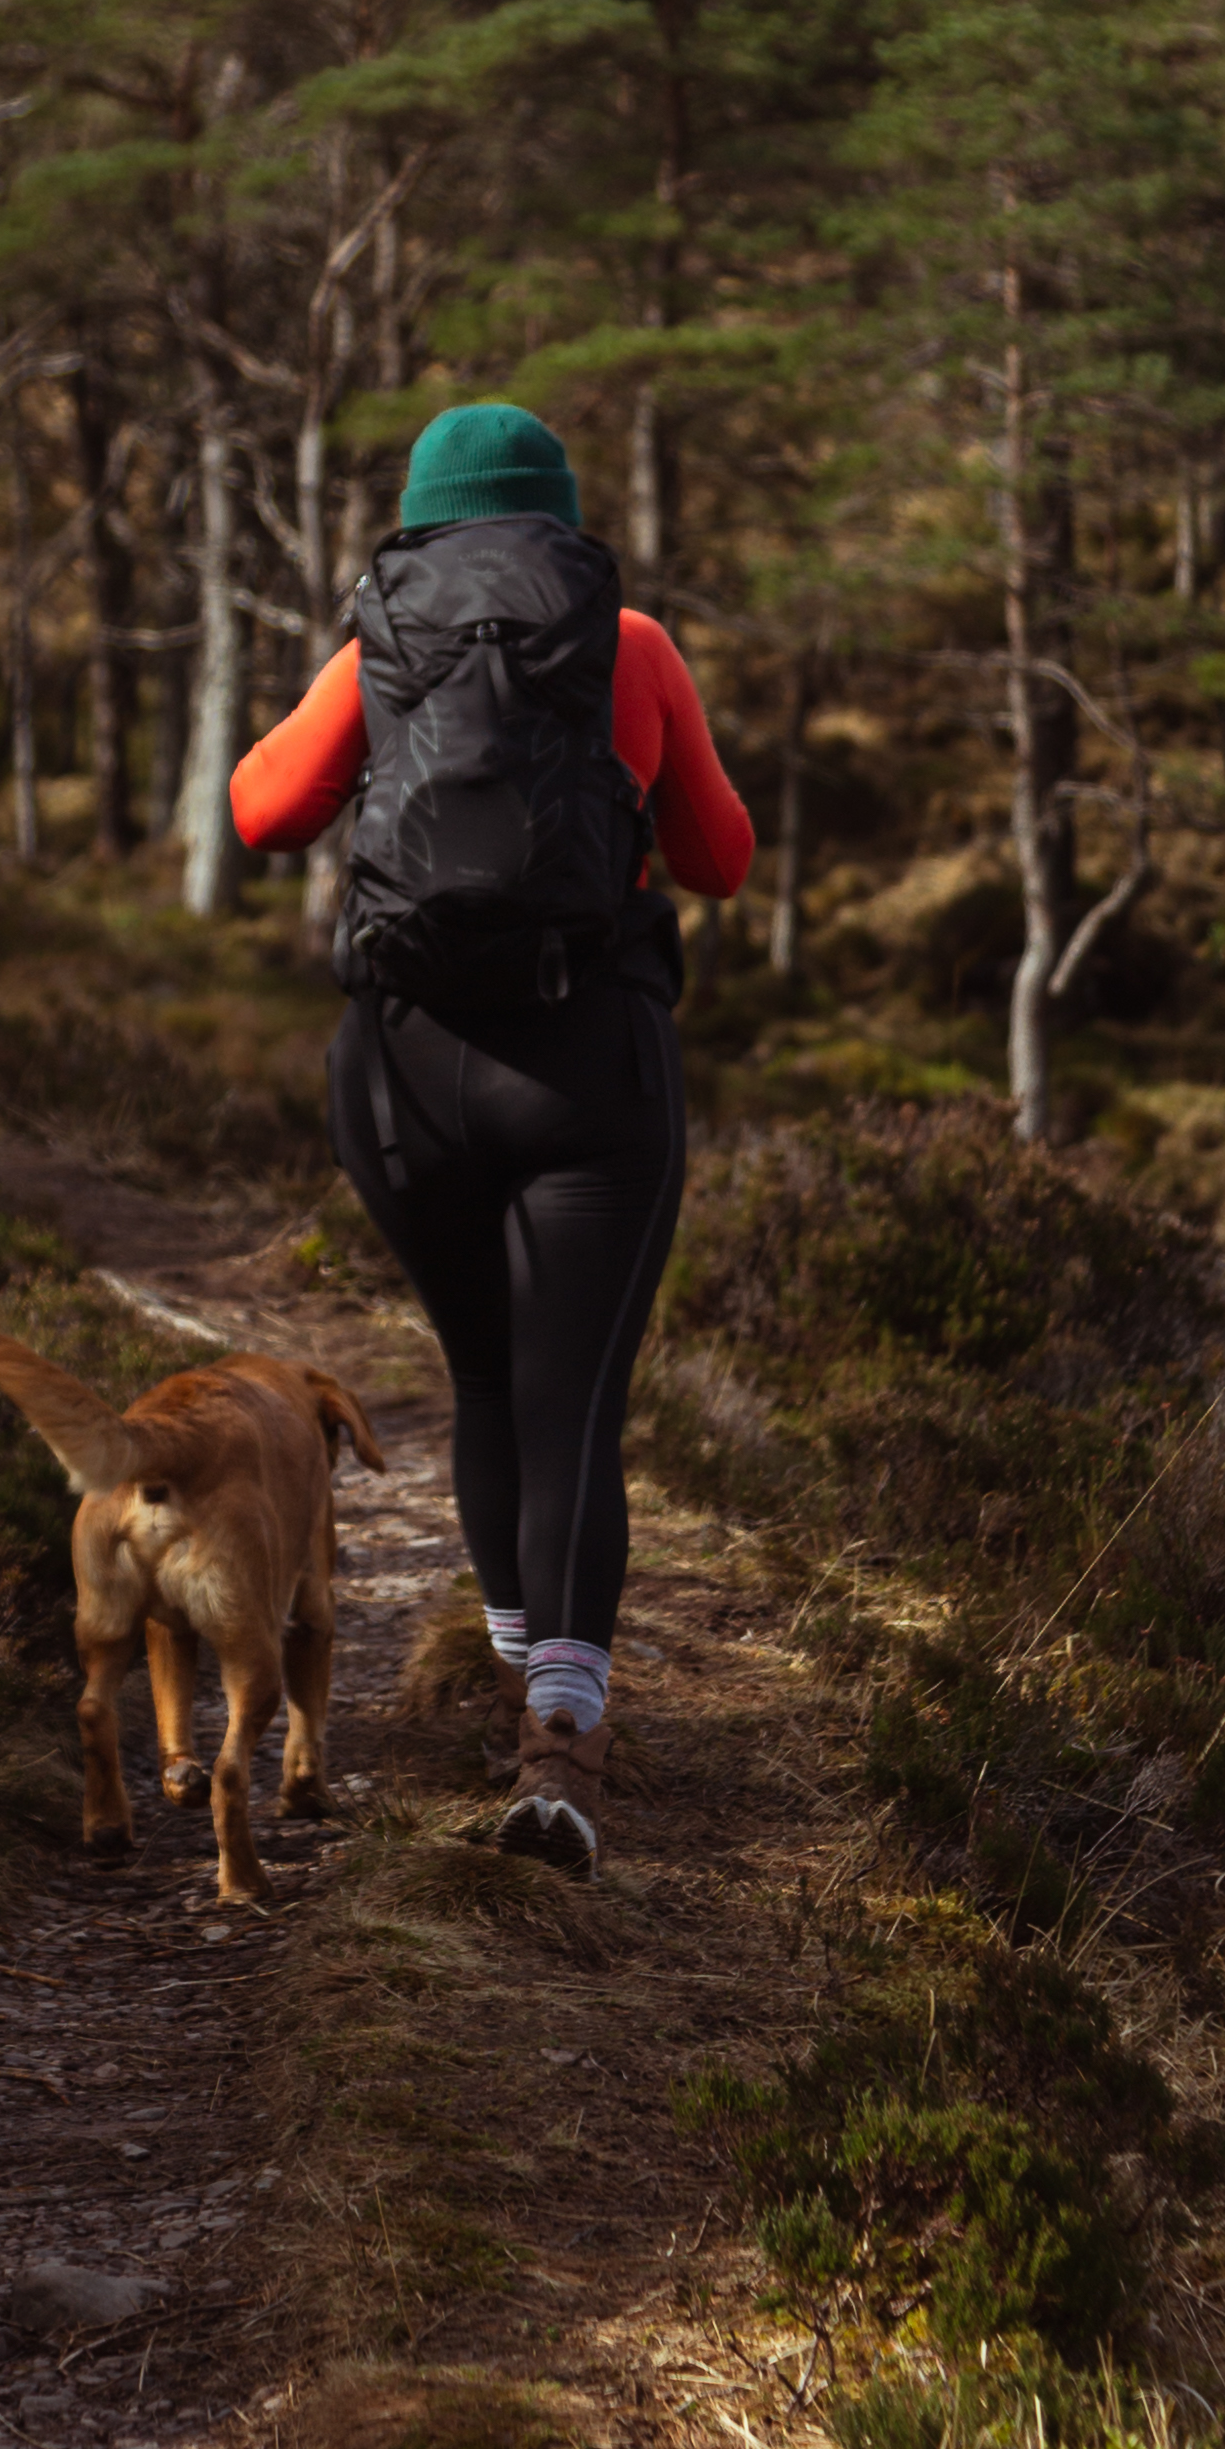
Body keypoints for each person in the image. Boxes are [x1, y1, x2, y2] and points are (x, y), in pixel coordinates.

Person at [227, 401, 754, 1876]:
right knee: (573, 1402)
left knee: (485, 1382)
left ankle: (521, 1666)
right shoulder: (628, 645)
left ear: (425, 522)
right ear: (558, 523)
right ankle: (559, 1747)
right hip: (589, 1066)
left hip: (405, 1075)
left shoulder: (383, 645)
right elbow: (721, 857)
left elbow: (260, 810)